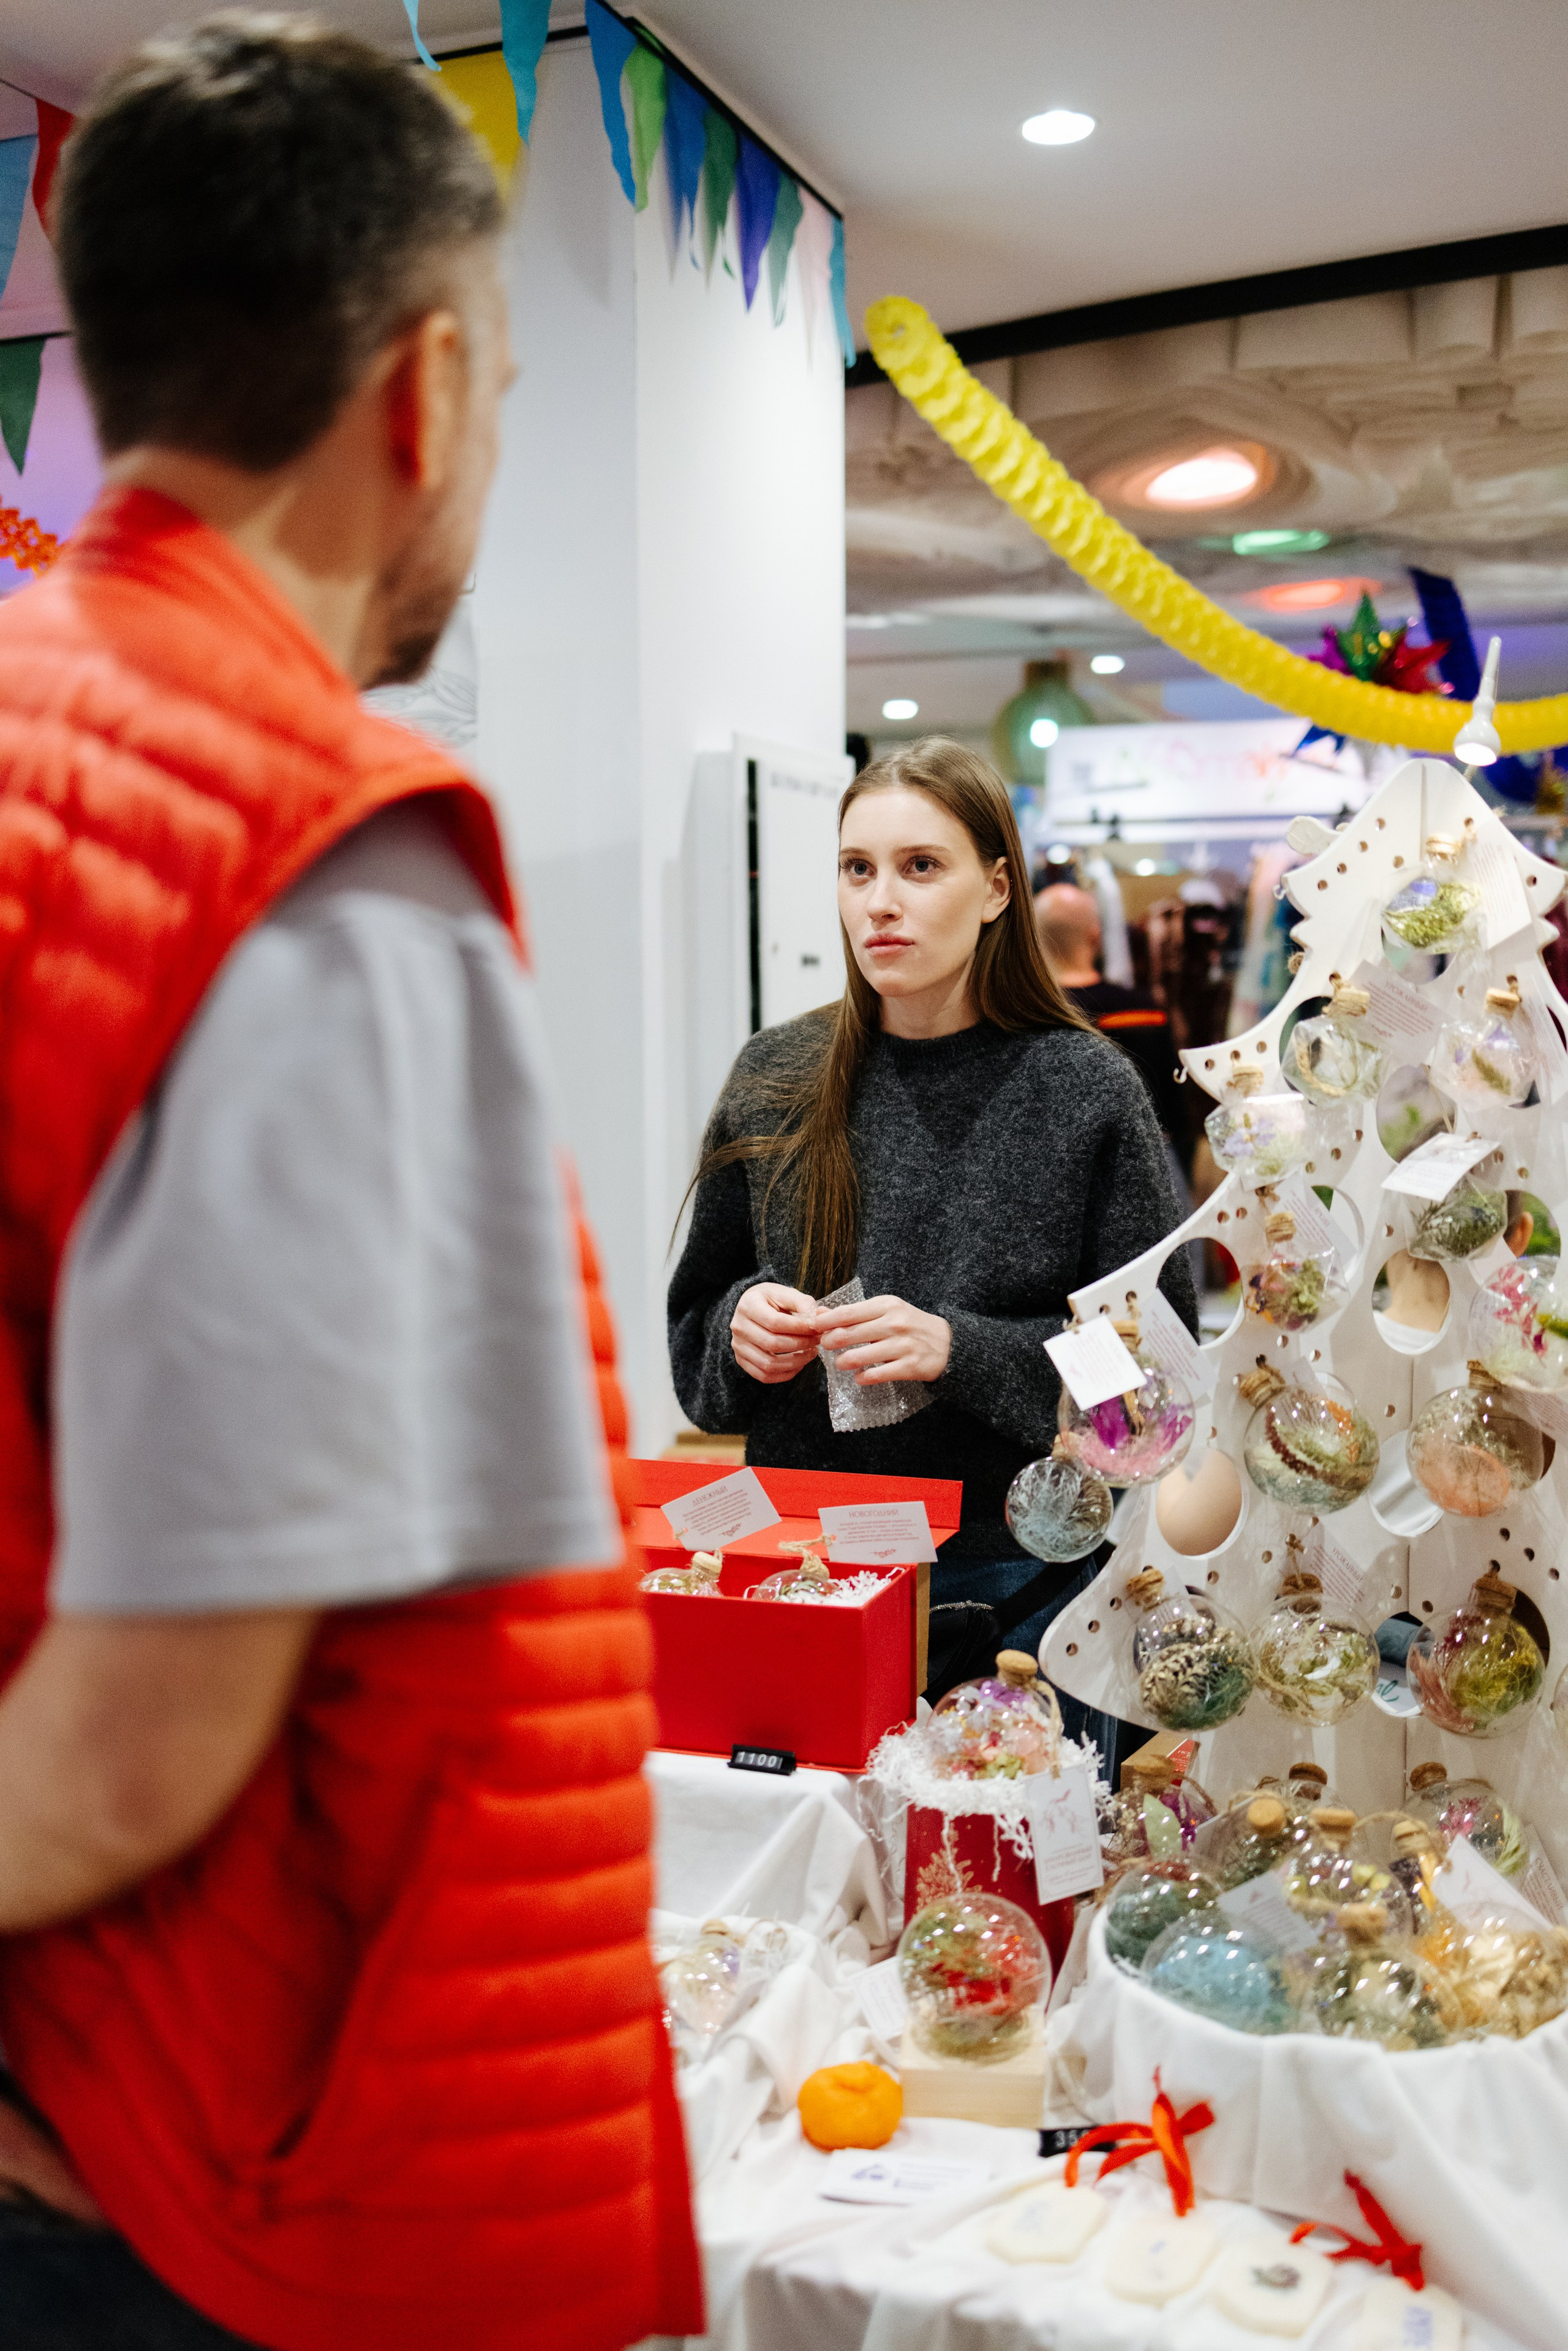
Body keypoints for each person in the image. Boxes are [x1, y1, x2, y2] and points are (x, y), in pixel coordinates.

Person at [0, 21, 698, 2350]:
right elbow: (147, 1729)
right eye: (503, 383)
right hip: (241, 2167)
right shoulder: (312, 861)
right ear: (425, 386)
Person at [668, 739, 1197, 1749]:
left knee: (999, 1852)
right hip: (805, 1566)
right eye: (857, 868)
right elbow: (696, 1342)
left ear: (996, 888)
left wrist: (961, 1349)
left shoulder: (1083, 1089)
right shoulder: (776, 1074)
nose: (880, 902)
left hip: (1023, 1594)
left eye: (920, 867)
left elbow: (1153, 1384)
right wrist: (740, 1326)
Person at [1035, 880, 1185, 1144]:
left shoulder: (1025, 1015)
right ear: (1096, 937)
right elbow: (1172, 1107)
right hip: (1140, 1154)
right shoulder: (1145, 1010)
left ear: (1035, 940)